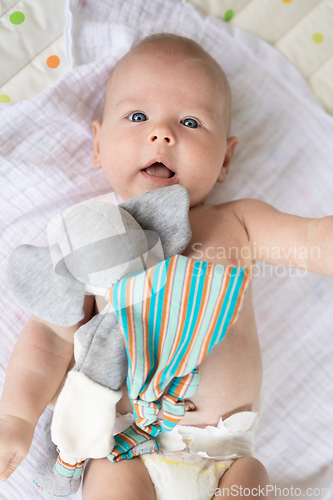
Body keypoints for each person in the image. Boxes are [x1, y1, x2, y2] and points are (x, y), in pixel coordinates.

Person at [0, 33, 331, 500]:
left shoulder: (237, 223)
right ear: (98, 145)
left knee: (253, 478)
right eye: (137, 117)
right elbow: (51, 337)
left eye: (191, 122)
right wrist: (16, 417)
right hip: (126, 450)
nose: (162, 134)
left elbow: (312, 240)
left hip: (226, 456)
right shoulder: (94, 240)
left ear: (226, 159)